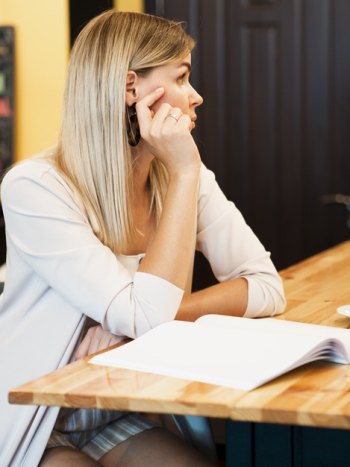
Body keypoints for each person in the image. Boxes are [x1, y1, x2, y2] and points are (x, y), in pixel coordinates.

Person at [0, 9, 286, 467]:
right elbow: (151, 321)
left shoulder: (182, 174)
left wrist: (130, 326)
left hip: (116, 411)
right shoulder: (35, 187)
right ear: (132, 88)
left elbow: (267, 287)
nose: (197, 97)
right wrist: (142, 322)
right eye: (182, 77)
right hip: (40, 417)